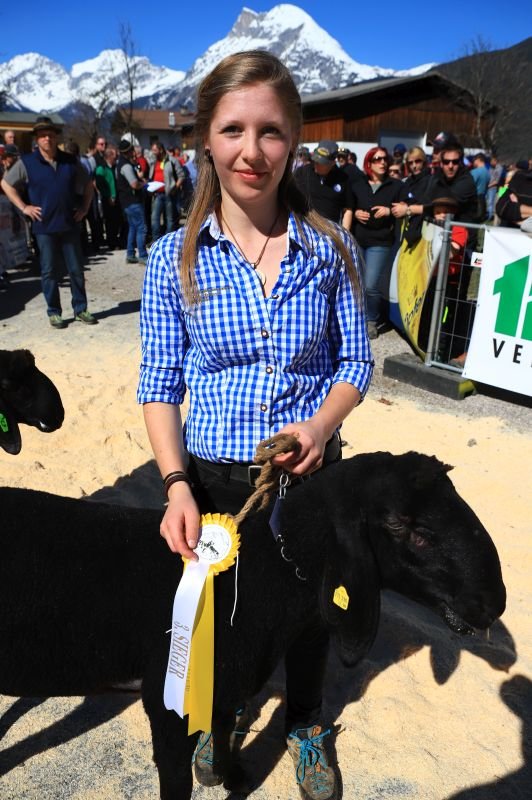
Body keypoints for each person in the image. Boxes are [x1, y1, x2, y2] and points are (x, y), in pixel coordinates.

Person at [137, 49, 373, 800]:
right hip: (213, 484)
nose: (252, 150)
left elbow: (355, 362)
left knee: (310, 615)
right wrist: (176, 485)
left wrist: (320, 426)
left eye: (270, 131)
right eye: (233, 129)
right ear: (206, 139)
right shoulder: (172, 260)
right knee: (226, 615)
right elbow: (159, 385)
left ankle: (304, 722)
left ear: (294, 139)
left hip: (310, 479)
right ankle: (223, 712)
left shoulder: (331, 247)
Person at [0, 116, 97, 328]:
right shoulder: (27, 162)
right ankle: (54, 312)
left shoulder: (70, 161)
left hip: (69, 223)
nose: (47, 139)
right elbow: (6, 185)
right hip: (44, 226)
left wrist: (84, 208)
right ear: (37, 139)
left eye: (51, 135)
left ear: (56, 138)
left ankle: (80, 309)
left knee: (76, 270)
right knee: (49, 271)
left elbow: (89, 185)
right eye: (43, 136)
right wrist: (24, 207)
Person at [350, 146, 404, 339]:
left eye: (384, 159)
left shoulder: (395, 186)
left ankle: (371, 320)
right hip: (358, 239)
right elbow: (349, 207)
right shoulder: (358, 184)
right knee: (356, 283)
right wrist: (356, 213)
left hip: (380, 241)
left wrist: (389, 211)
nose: (382, 162)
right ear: (369, 163)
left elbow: (404, 207)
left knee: (371, 285)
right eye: (377, 159)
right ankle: (356, 318)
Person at [293, 139, 354, 229]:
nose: (316, 164)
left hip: (330, 231)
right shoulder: (302, 173)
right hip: (303, 228)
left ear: (332, 163)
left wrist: (345, 233)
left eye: (321, 162)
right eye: (315, 160)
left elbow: (348, 209)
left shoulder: (343, 178)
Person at [116, 139, 149, 264]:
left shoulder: (121, 164)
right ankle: (143, 255)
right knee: (141, 228)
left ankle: (130, 254)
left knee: (133, 227)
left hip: (126, 202)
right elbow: (134, 184)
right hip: (133, 201)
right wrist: (144, 184)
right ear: (128, 151)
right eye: (132, 150)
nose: (133, 152)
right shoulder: (126, 166)